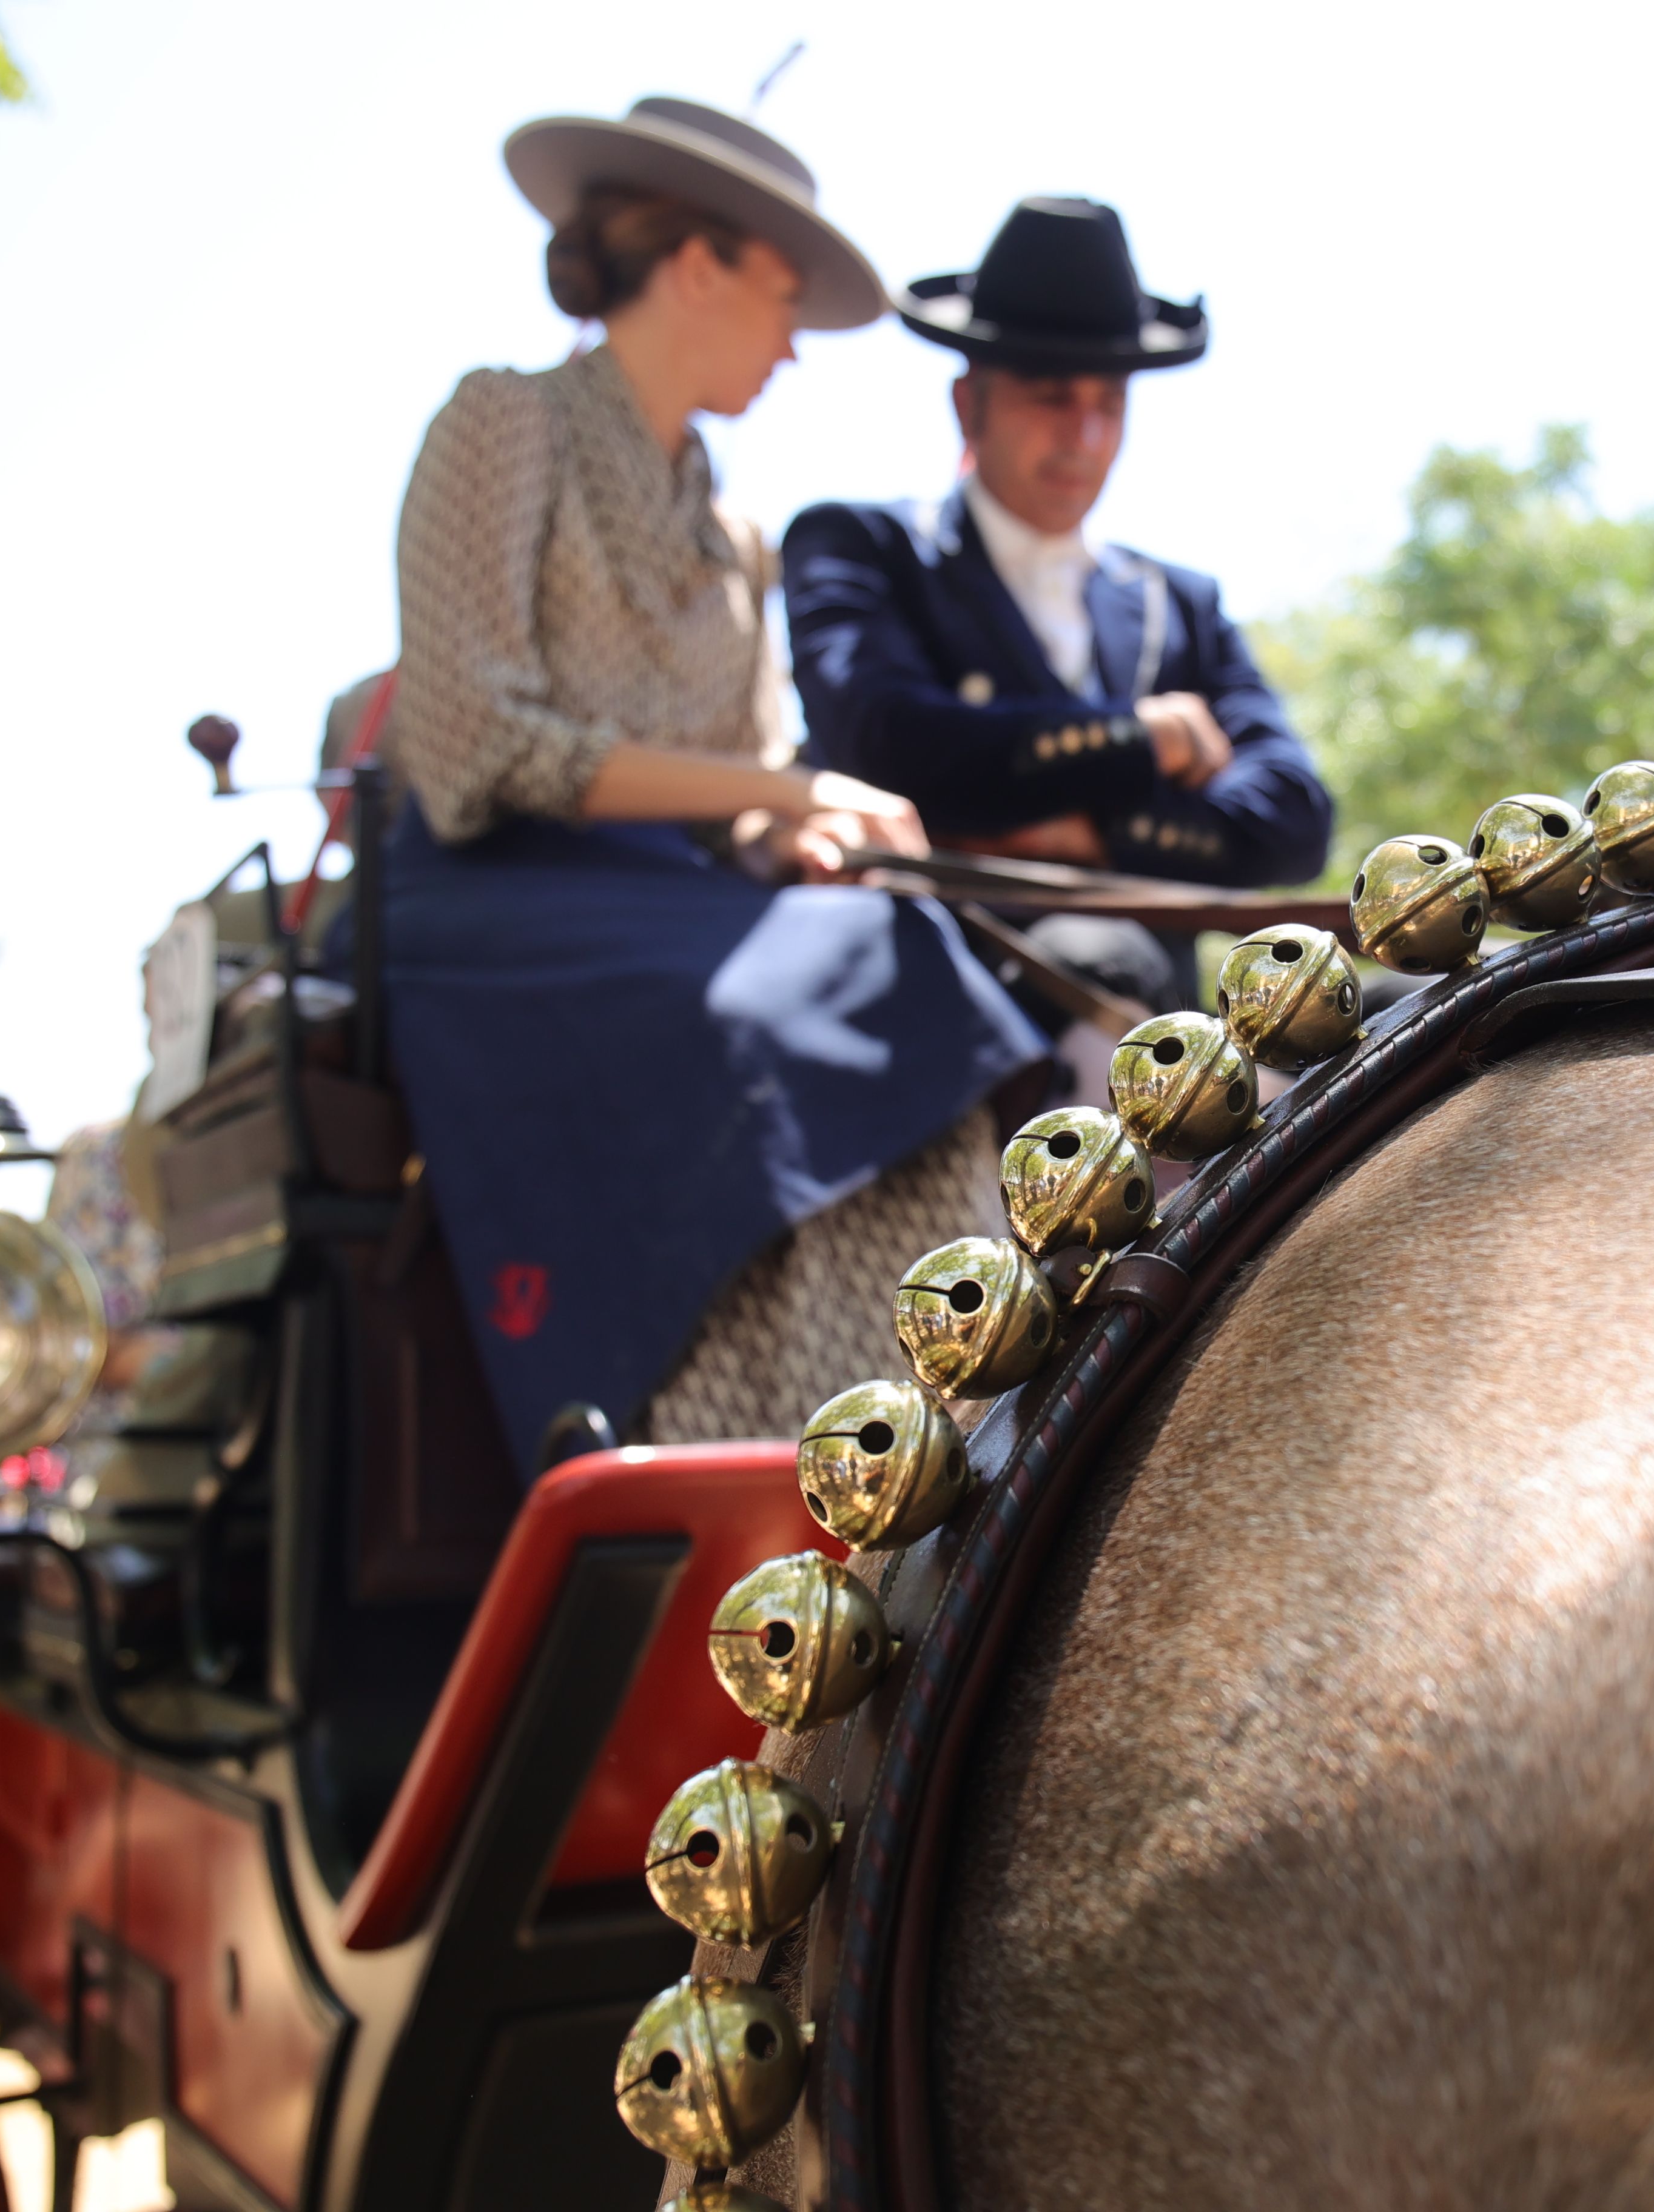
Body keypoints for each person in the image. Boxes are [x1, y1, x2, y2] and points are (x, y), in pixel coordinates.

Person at [382, 98, 1044, 1457]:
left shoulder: (735, 528)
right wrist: (789, 796)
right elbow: (470, 751)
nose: (797, 347)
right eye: (782, 295)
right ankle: (744, 1439)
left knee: (894, 941)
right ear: (695, 261)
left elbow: (746, 783)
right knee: (775, 1004)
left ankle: (943, 1427)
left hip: (686, 901)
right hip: (502, 903)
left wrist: (800, 826)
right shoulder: (506, 424)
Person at [782, 196, 1333, 1018]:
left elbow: (1292, 818)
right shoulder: (860, 547)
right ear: (970, 406)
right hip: (927, 996)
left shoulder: (1180, 602)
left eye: (1108, 405)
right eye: (1050, 397)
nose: (1084, 436)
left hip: (1170, 1025)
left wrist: (1086, 836)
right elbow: (890, 741)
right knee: (1099, 960)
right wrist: (1150, 740)